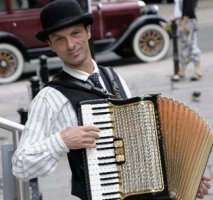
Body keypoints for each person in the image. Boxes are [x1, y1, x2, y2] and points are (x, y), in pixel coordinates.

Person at [12, 0, 210, 200]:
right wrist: (62, 141)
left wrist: (185, 177)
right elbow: (20, 166)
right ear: (50, 45)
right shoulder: (50, 98)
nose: (70, 45)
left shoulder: (112, 77)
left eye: (75, 33)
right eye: (60, 39)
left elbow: (142, 142)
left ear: (88, 31)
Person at [172, 0, 202, 81]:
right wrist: (175, 18)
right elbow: (179, 8)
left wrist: (183, 24)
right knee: (184, 48)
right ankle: (182, 71)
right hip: (182, 21)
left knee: (192, 46)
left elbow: (189, 9)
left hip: (189, 22)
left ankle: (197, 71)